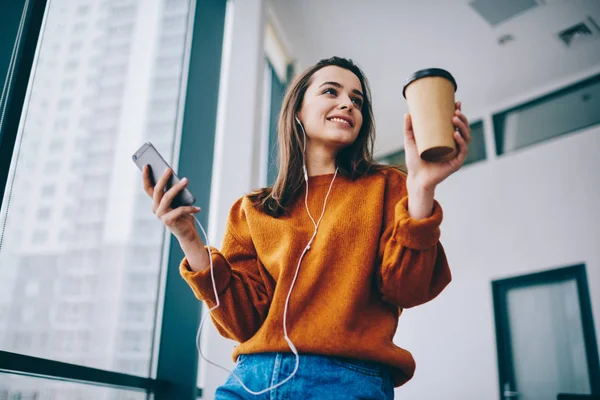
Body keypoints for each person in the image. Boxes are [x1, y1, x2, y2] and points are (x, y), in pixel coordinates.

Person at [142, 56, 471, 399]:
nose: (347, 103)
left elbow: (407, 289)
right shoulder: (252, 210)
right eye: (332, 91)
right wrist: (187, 236)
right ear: (297, 109)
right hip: (251, 381)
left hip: (345, 381)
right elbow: (242, 323)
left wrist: (421, 188)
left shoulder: (387, 187)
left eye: (357, 100)